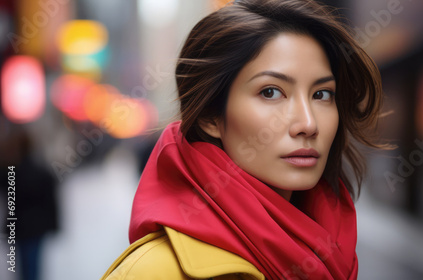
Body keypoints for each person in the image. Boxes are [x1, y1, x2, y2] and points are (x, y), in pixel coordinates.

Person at [101, 0, 385, 279]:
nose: (308, 124)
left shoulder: (336, 251)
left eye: (321, 94)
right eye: (271, 92)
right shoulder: (152, 272)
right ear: (211, 116)